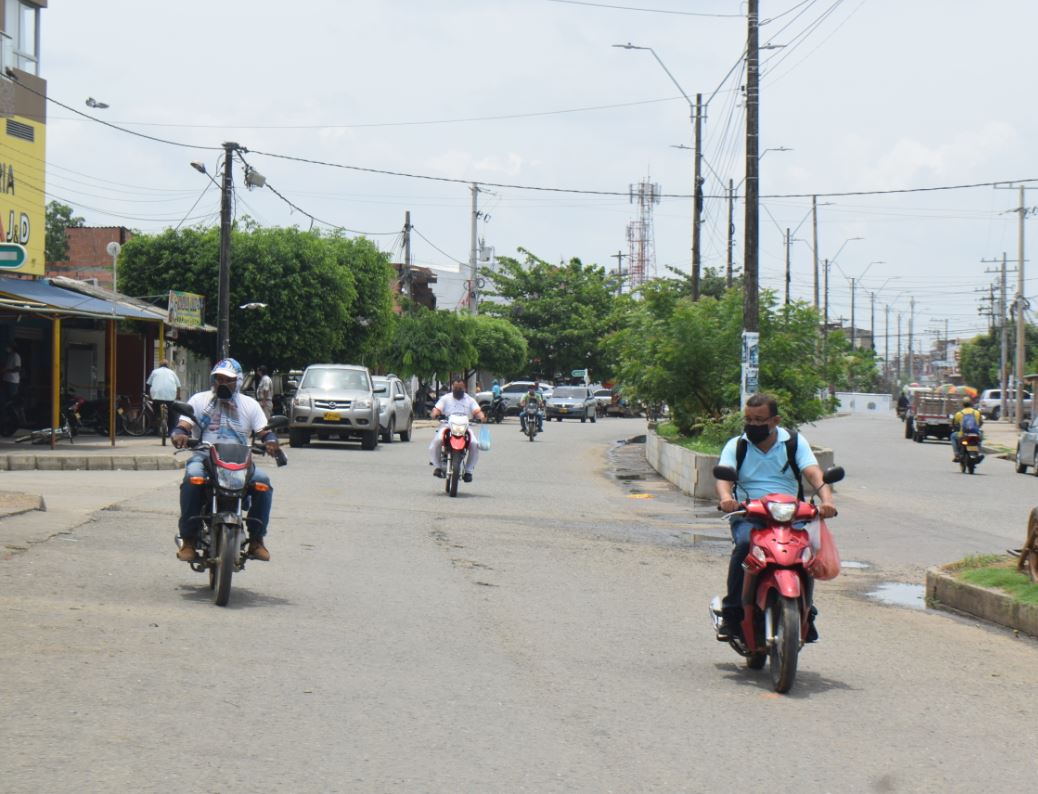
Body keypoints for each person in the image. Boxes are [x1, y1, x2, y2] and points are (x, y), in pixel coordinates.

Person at [715, 393, 837, 643]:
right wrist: (727, 498)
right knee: (745, 547)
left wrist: (827, 501)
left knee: (807, 554)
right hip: (750, 512)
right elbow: (724, 477)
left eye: (760, 420)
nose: (753, 425)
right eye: (749, 419)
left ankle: (807, 612)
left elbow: (814, 473)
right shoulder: (736, 445)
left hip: (790, 513)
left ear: (775, 420)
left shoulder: (793, 442)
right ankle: (732, 613)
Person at [171, 358, 280, 562]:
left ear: (237, 382)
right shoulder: (199, 400)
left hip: (240, 461)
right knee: (192, 477)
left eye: (227, 379)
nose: (221, 383)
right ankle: (189, 540)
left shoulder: (250, 405)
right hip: (205, 457)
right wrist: (179, 434)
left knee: (263, 482)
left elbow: (264, 431)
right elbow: (183, 425)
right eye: (218, 378)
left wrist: (271, 441)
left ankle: (257, 540)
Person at [428, 377, 485, 481]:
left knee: (474, 444)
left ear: (465, 388)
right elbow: (437, 409)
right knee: (437, 441)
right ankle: (437, 467)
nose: (458, 390)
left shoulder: (470, 400)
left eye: (460, 388)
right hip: (447, 426)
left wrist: (482, 417)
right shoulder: (445, 398)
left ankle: (468, 471)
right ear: (452, 387)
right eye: (456, 388)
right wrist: (434, 414)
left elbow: (477, 411)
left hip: (465, 427)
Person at [146, 358, 182, 431]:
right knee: (171, 414)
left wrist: (149, 395)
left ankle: (156, 427)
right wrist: (178, 396)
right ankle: (171, 430)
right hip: (170, 397)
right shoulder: (172, 372)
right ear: (167, 366)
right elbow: (178, 386)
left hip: (157, 396)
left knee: (156, 412)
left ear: (159, 365)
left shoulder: (155, 372)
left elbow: (148, 384)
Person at [951, 396, 984, 463]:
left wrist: (955, 428)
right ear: (971, 404)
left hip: (963, 434)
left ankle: (957, 454)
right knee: (979, 440)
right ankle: (980, 452)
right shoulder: (976, 412)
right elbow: (981, 422)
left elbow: (954, 423)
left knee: (952, 436)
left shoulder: (959, 413)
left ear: (963, 404)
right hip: (976, 433)